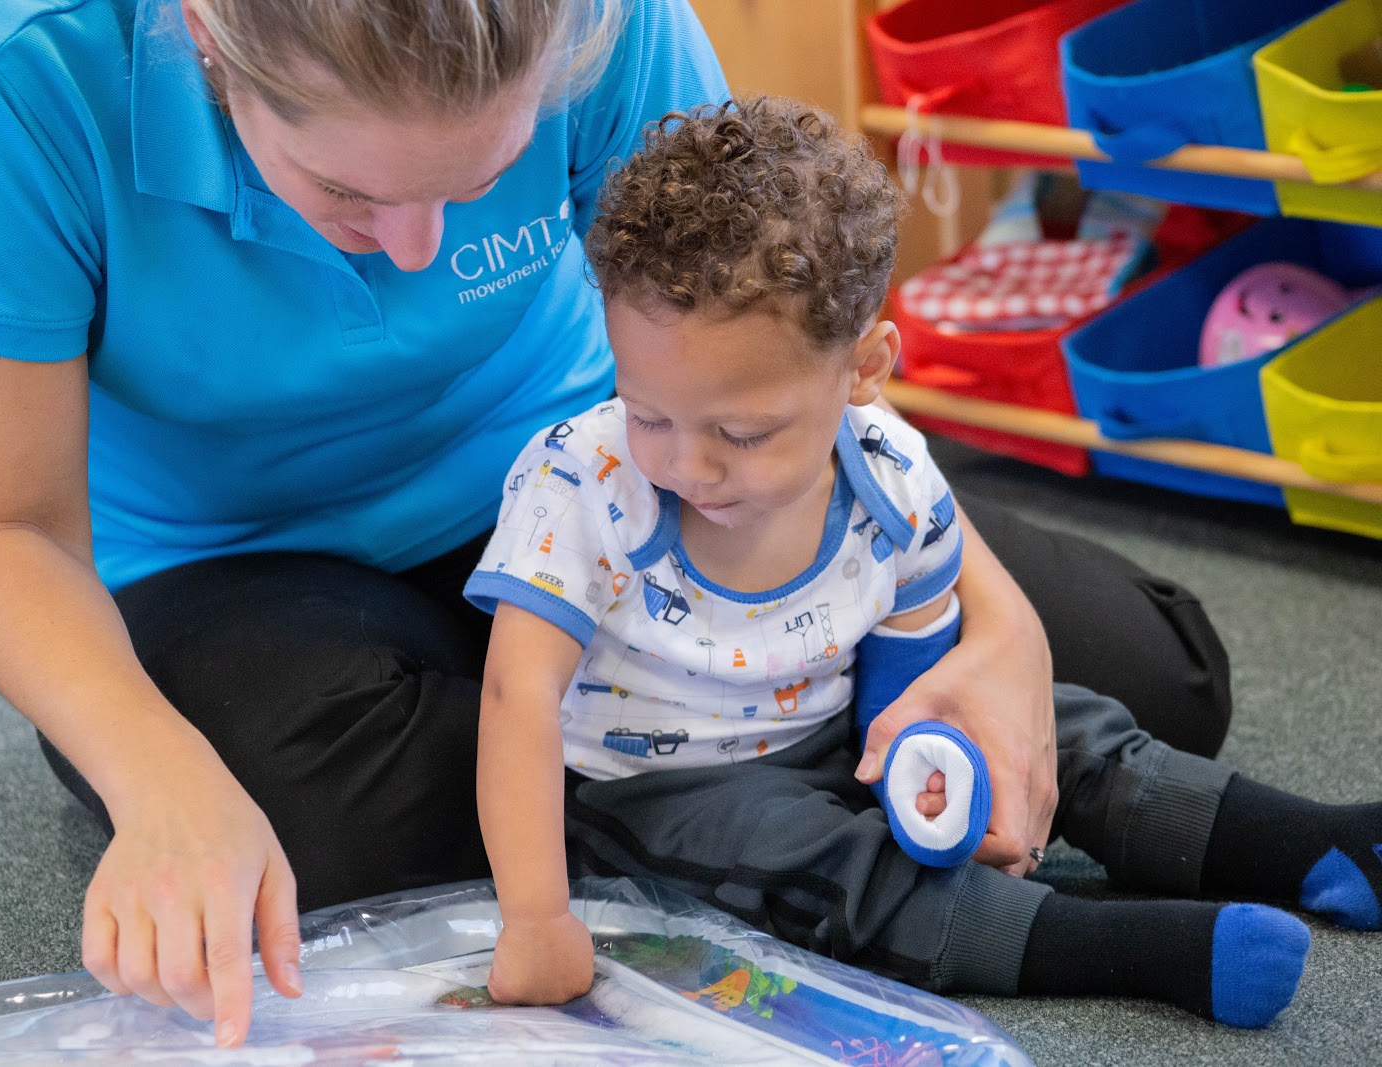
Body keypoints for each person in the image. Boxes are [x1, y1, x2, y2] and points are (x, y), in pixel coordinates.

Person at [0, 0, 1228, 1048]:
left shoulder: (604, 17)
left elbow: (761, 339)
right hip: (239, 562)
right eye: (347, 194)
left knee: (1153, 669)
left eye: (476, 179)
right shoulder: (3, 65)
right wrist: (159, 778)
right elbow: (4, 530)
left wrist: (989, 612)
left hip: (601, 474)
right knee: (326, 840)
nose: (415, 248)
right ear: (209, 38)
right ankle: (753, 754)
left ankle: (692, 762)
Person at [469, 97, 1381, 1027]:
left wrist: (934, 764)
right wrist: (536, 916)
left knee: (1062, 723)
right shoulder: (580, 483)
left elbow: (914, 674)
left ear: (864, 370)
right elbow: (517, 699)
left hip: (835, 728)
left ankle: (1315, 844)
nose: (685, 464)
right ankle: (1137, 948)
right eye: (649, 412)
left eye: (741, 432)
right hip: (663, 791)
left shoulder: (893, 476)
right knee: (818, 866)